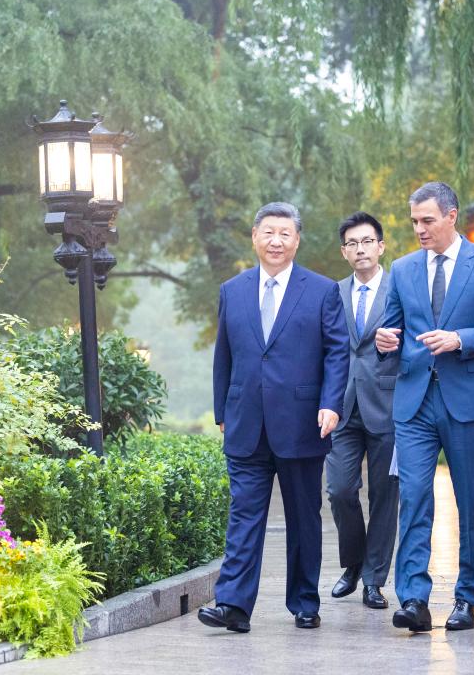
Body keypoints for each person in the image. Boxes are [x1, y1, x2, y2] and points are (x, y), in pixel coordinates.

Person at [376, 182, 474, 632]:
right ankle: (413, 600)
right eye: (414, 222)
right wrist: (384, 342)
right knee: (413, 497)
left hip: (468, 401)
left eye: (428, 220)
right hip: (414, 401)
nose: (419, 229)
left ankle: (466, 598)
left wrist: (461, 339)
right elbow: (392, 330)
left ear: (451, 215)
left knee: (471, 501)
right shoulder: (402, 269)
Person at [199, 201, 349, 633]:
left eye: (285, 233)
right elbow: (224, 355)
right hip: (245, 422)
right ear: (255, 237)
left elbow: (337, 352)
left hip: (303, 422)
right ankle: (233, 605)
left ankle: (304, 602)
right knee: (244, 516)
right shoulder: (232, 290)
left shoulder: (321, 291)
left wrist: (331, 403)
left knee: (304, 518)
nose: (276, 241)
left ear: (297, 240)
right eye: (269, 232)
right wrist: (222, 410)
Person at [326, 212, 400, 610]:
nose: (360, 249)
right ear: (344, 252)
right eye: (352, 243)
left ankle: (374, 580)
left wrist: (399, 346)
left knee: (385, 495)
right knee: (339, 490)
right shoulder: (332, 293)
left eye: (367, 241)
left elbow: (418, 340)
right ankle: (353, 563)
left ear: (381, 246)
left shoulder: (399, 289)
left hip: (389, 405)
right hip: (341, 407)